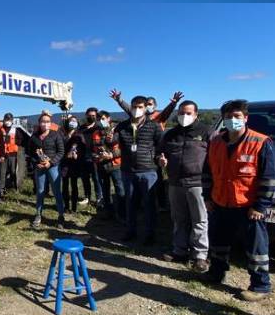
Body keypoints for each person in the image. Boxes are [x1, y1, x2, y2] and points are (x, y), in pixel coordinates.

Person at [202, 99, 275, 302]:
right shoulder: (216, 141)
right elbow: (207, 172)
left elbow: (270, 179)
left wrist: (260, 206)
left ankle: (260, 285)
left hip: (248, 207)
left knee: (256, 247)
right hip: (220, 202)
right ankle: (216, 273)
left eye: (236, 117)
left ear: (245, 118)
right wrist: (207, 197)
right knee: (219, 242)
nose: (232, 120)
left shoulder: (260, 142)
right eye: (228, 117)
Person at [156, 100, 211, 273]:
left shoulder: (207, 132)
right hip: (175, 182)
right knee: (179, 218)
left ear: (196, 115)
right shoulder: (171, 134)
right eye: (181, 113)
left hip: (198, 183)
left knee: (199, 220)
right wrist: (160, 159)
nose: (184, 116)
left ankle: (200, 256)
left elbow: (215, 157)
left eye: (188, 113)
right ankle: (179, 250)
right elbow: (159, 152)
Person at [114, 95, 164, 244]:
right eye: (134, 106)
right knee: (130, 202)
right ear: (131, 107)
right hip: (128, 170)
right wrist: (110, 138)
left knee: (149, 203)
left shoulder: (153, 126)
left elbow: (160, 145)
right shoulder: (122, 126)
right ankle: (131, 231)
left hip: (148, 170)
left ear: (145, 108)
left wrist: (158, 159)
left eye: (140, 107)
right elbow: (114, 143)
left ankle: (150, 234)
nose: (137, 110)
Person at [27, 113, 65, 229]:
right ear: (39, 123)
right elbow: (30, 152)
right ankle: (38, 215)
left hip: (53, 167)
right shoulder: (34, 136)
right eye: (43, 121)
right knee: (40, 191)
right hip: (40, 168)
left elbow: (61, 152)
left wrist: (51, 163)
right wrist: (36, 162)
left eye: (47, 121)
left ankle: (61, 216)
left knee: (56, 191)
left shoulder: (55, 135)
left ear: (50, 123)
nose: (45, 123)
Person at [90, 111, 124, 221]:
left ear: (109, 119)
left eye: (103, 118)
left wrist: (111, 155)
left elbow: (123, 149)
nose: (101, 120)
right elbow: (93, 149)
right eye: (99, 118)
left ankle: (122, 213)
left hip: (116, 165)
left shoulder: (117, 131)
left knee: (120, 189)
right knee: (105, 190)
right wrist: (97, 156)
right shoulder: (95, 133)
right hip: (101, 165)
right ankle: (109, 212)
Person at [60, 115, 86, 213]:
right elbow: (59, 147)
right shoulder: (62, 133)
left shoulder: (79, 134)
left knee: (74, 185)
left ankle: (74, 207)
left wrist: (77, 155)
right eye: (71, 121)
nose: (73, 122)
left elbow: (83, 149)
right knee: (65, 185)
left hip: (75, 164)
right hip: (64, 163)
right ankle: (66, 206)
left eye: (75, 121)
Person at [79, 107, 101, 206]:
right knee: (85, 178)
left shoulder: (98, 127)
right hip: (83, 156)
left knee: (96, 179)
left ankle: (99, 198)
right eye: (89, 115)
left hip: (94, 157)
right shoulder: (81, 128)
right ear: (86, 115)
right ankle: (87, 197)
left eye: (93, 116)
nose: (91, 117)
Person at [0, 113, 24, 194]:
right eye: (6, 119)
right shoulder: (0, 129)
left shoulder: (16, 129)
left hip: (13, 154)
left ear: (12, 120)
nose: (7, 121)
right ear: (4, 120)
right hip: (3, 155)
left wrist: (15, 142)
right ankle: (2, 189)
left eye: (9, 120)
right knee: (2, 173)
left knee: (13, 172)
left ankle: (14, 187)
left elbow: (21, 140)